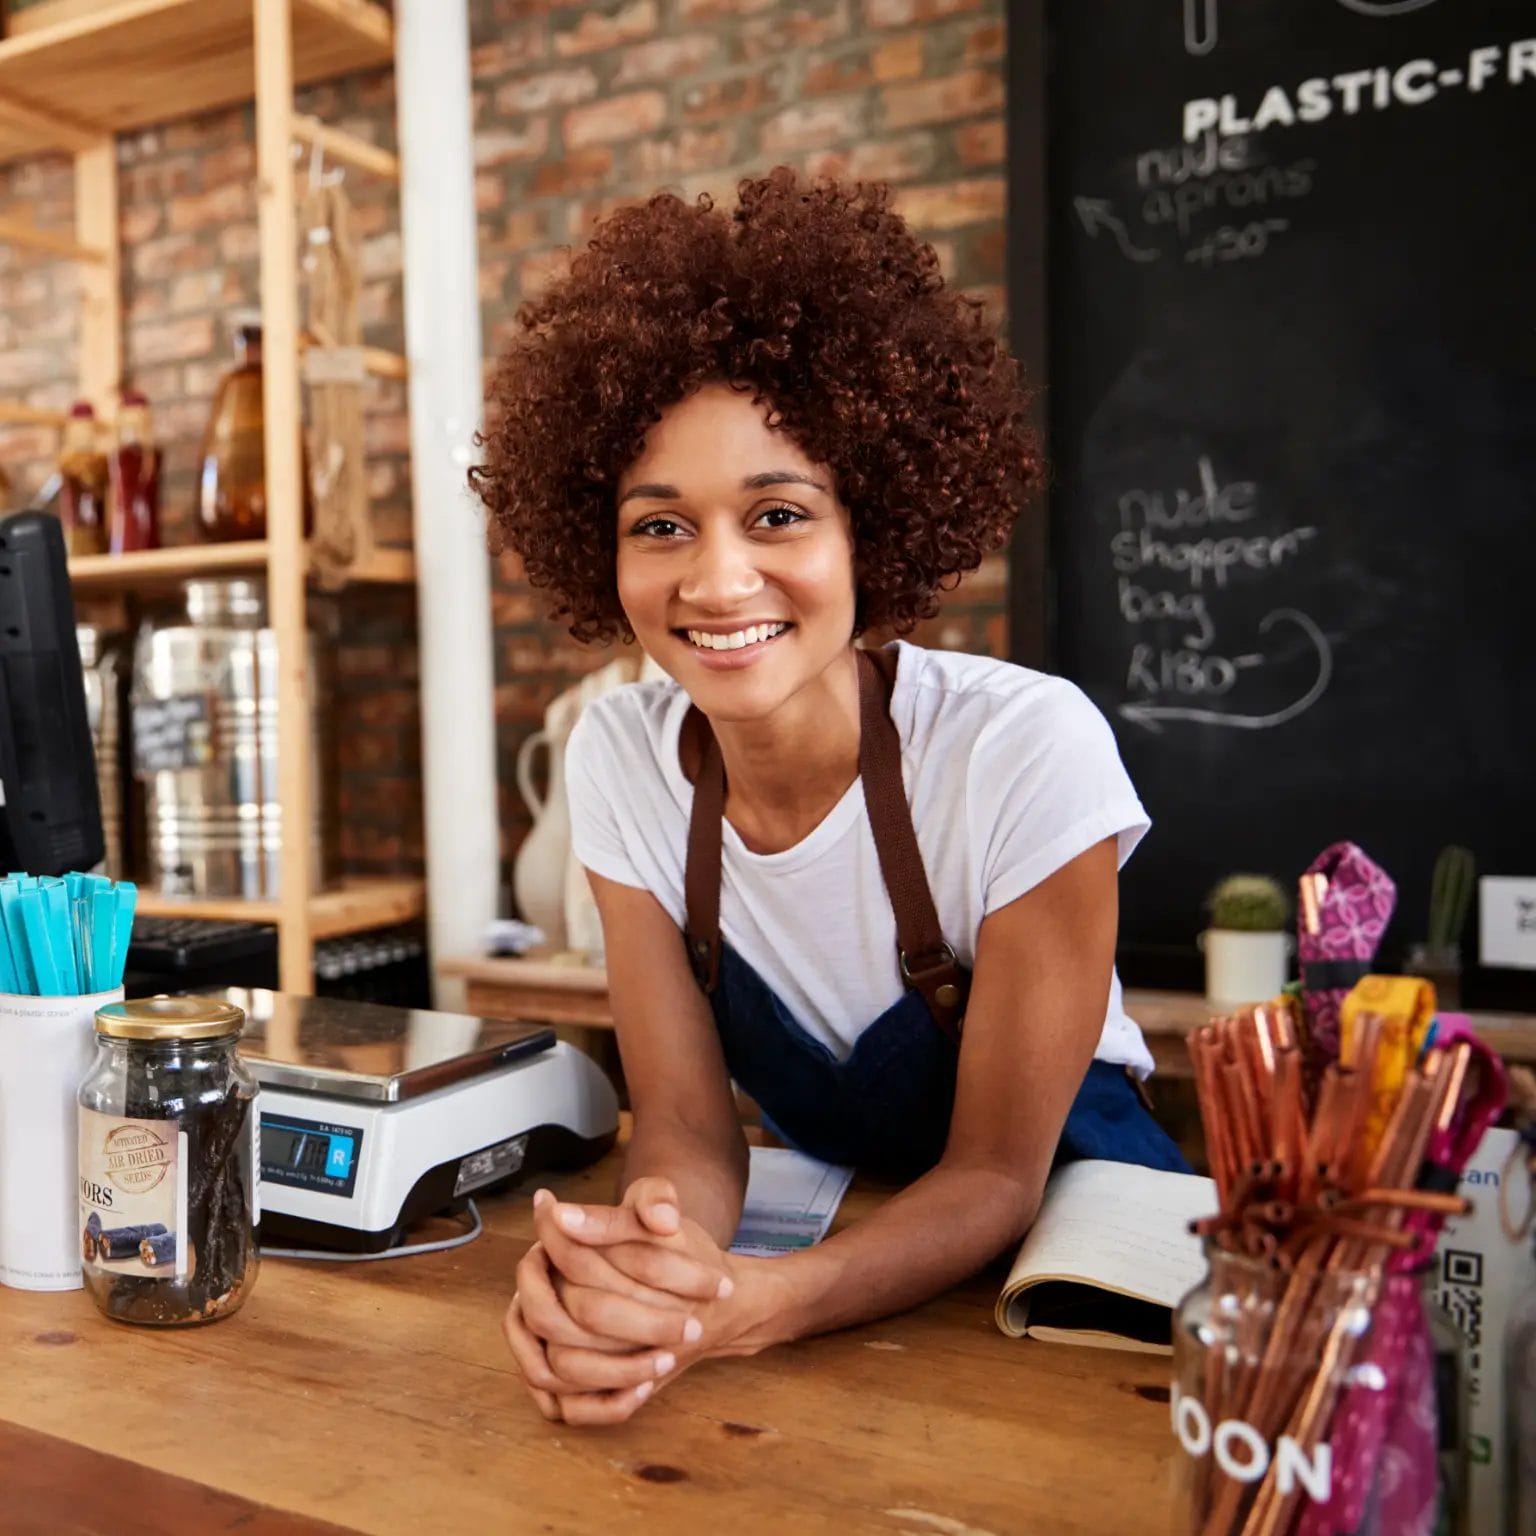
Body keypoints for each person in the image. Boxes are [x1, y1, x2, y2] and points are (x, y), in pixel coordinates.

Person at [471, 168, 1188, 1427]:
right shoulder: (621, 759)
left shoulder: (1023, 750)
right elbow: (692, 1137)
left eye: (779, 513)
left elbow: (994, 1174)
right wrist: (648, 1272)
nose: (719, 577)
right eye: (661, 526)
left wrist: (753, 1306)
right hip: (846, 1280)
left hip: (1074, 1279)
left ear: (876, 527)